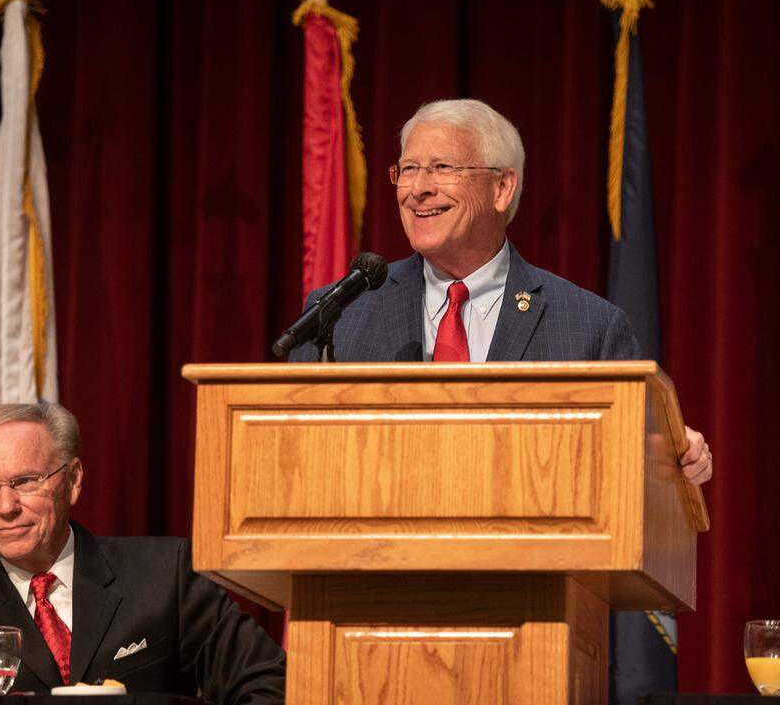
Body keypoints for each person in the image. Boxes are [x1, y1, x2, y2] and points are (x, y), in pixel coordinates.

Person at [290, 98, 712, 483]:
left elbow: (632, 465)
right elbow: (293, 458)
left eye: (442, 168)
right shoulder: (343, 313)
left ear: (502, 188)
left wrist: (673, 455)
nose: (417, 189)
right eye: (409, 169)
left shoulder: (590, 329)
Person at [0, 403, 285, 703]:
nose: (5, 506)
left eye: (25, 481)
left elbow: (269, 686)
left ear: (73, 480)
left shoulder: (165, 576)